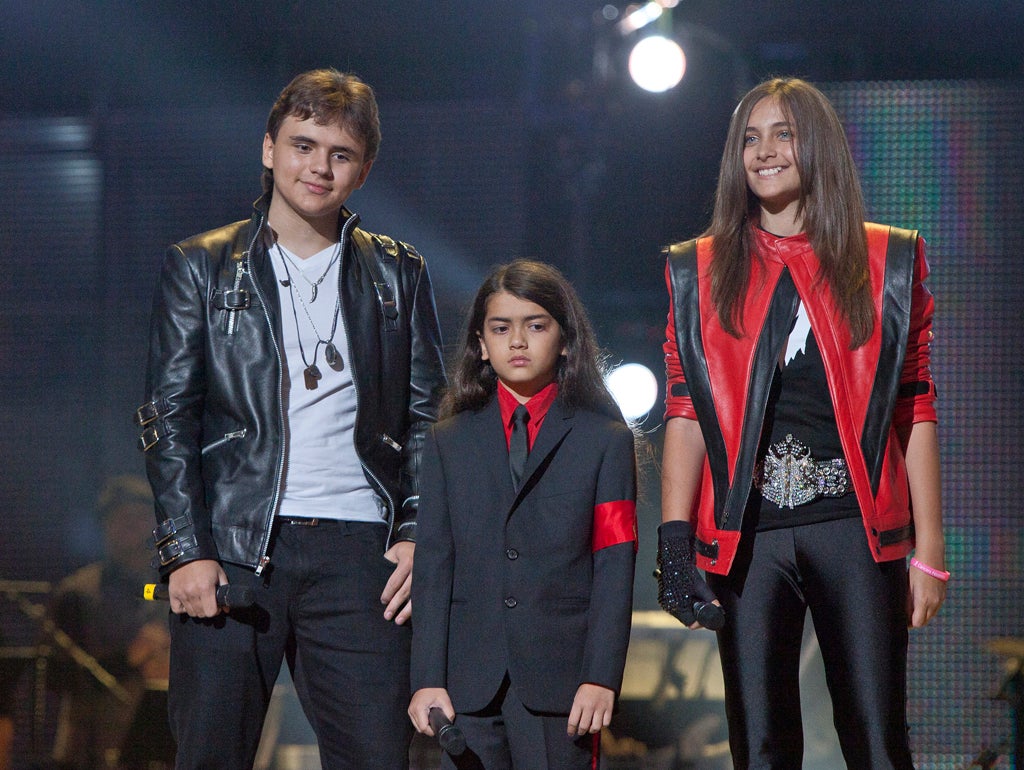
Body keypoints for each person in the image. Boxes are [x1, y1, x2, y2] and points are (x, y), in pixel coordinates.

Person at [134, 68, 445, 770]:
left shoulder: (400, 273)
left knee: (377, 758)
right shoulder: (202, 266)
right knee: (210, 754)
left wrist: (419, 533)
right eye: (303, 145)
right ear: (269, 148)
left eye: (340, 154)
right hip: (238, 546)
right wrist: (186, 549)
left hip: (363, 554)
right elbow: (168, 415)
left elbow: (429, 415)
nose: (319, 167)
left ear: (363, 169)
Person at [656, 77, 946, 769]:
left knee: (876, 741)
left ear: (816, 145)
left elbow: (916, 404)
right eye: (749, 138)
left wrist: (929, 552)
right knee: (759, 747)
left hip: (855, 529)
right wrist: (674, 545)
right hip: (749, 536)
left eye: (782, 133)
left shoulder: (887, 260)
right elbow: (684, 406)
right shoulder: (699, 269)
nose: (764, 152)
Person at [408, 259, 638, 769]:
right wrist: (427, 677)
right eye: (501, 328)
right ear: (480, 344)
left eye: (535, 326)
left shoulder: (605, 441)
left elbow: (615, 564)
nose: (517, 341)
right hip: (468, 686)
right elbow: (433, 567)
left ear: (564, 339)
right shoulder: (448, 441)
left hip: (563, 686)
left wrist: (600, 675)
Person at [45, 474, 173, 770]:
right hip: (93, 749)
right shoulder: (77, 593)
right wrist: (128, 658)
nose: (133, 528)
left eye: (141, 518)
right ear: (105, 525)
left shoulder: (173, 587)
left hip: (165, 744)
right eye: (122, 518)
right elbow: (55, 677)